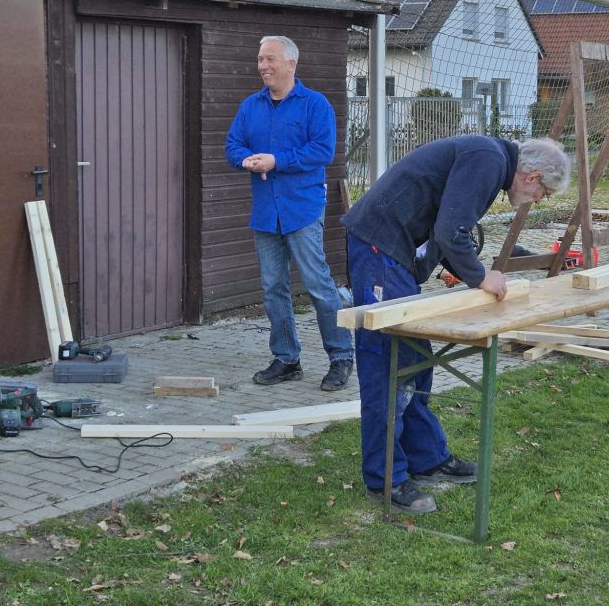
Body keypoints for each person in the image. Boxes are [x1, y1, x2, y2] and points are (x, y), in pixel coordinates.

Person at [343, 135, 571, 513]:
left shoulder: (490, 160)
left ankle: (427, 458)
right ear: (532, 177)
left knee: (416, 360)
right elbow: (451, 230)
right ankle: (385, 480)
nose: (538, 200)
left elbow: (442, 227)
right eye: (542, 193)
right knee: (388, 364)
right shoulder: (488, 159)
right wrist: (481, 276)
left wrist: (468, 273)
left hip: (393, 249)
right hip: (378, 246)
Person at [225, 35, 355, 391]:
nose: (263, 65)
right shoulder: (251, 106)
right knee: (273, 288)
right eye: (260, 59)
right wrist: (246, 160)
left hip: (302, 209)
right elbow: (233, 145)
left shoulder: (315, 104)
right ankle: (286, 359)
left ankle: (341, 357)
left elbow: (323, 151)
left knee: (318, 285)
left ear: (290, 64)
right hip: (266, 212)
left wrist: (276, 160)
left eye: (270, 59)